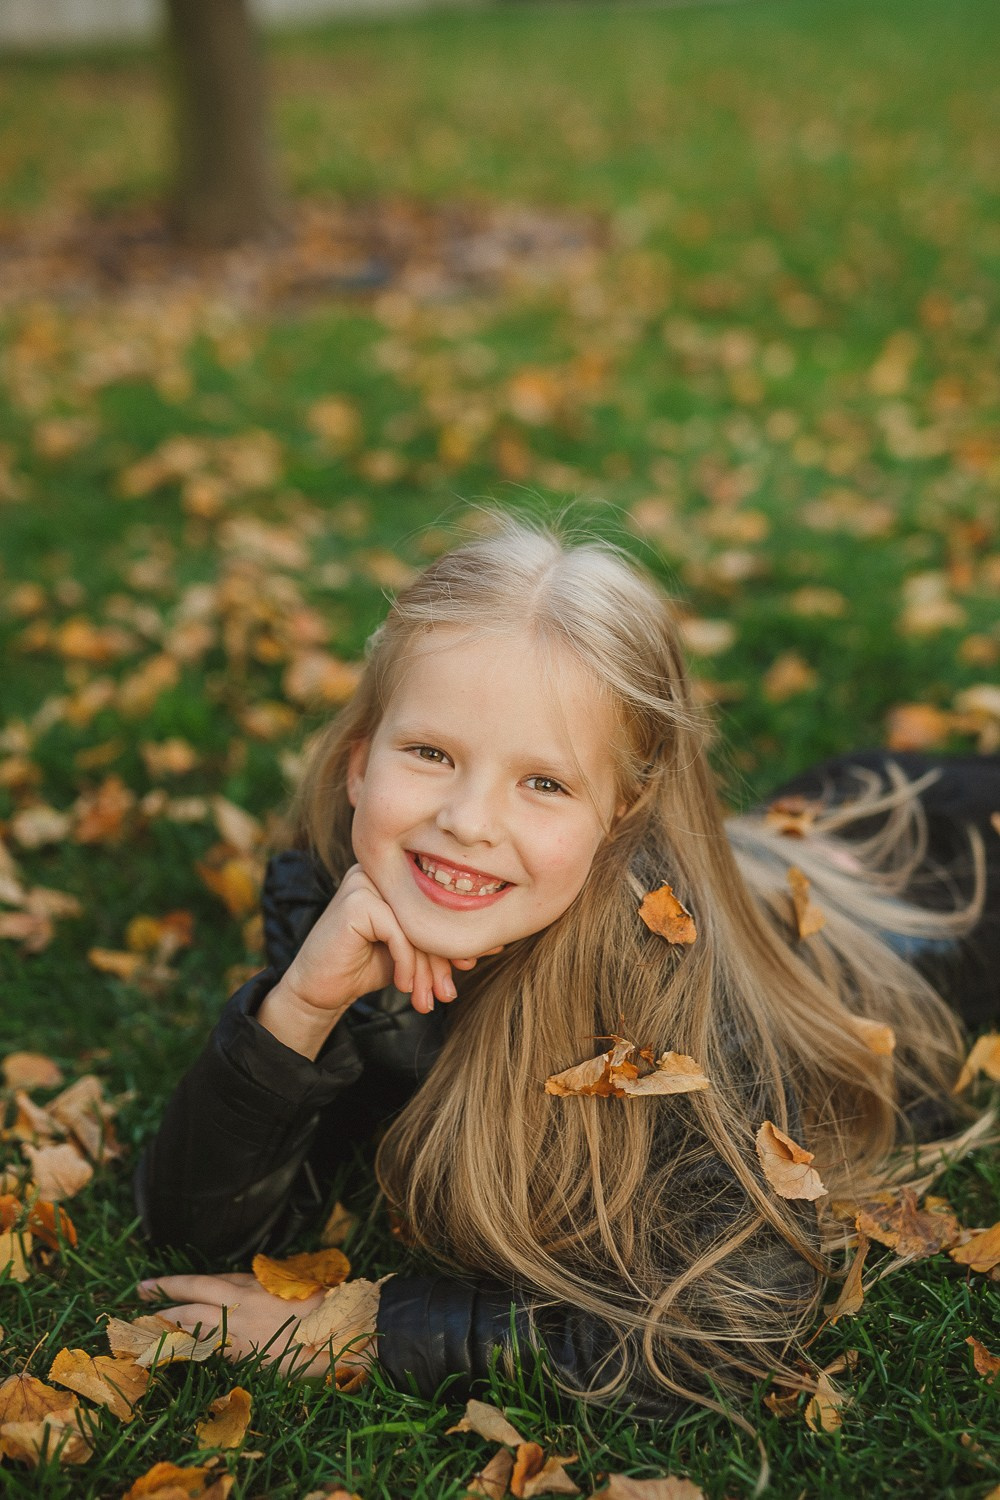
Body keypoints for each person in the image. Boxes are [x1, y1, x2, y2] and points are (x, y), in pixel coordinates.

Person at [135, 520, 1000, 1420]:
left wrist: (361, 1330)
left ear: (622, 814)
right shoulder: (335, 888)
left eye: (543, 782)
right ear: (360, 762)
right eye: (430, 754)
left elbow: (723, 1329)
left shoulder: (676, 990)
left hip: (952, 892)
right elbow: (191, 1230)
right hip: (820, 832)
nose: (468, 821)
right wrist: (299, 1007)